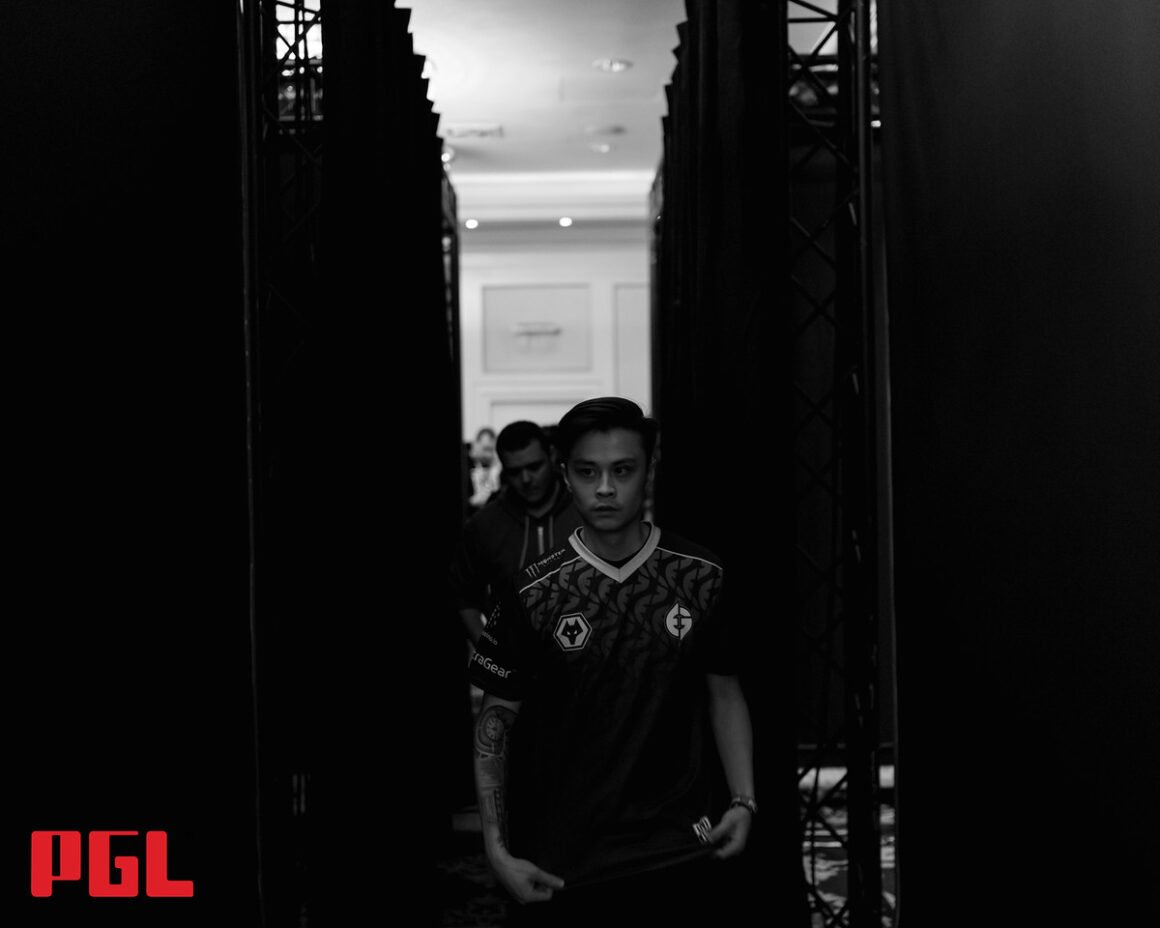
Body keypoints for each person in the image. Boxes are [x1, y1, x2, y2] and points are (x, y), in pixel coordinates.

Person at [468, 397, 757, 926]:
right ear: (566, 476)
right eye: (587, 472)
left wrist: (743, 800)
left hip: (679, 848)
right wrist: (496, 848)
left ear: (649, 469)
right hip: (563, 861)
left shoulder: (701, 575)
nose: (605, 488)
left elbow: (724, 691)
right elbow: (494, 723)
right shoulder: (532, 591)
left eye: (622, 470)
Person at [451, 420, 585, 648]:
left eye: (534, 467)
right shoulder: (485, 524)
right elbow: (463, 595)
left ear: (552, 456)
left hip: (585, 660)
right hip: (513, 660)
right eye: (515, 471)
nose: (526, 479)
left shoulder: (585, 513)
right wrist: (488, 651)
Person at [466, 426, 502, 516]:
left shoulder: (494, 466)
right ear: (475, 444)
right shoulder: (464, 464)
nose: (489, 455)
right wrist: (470, 502)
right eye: (486, 449)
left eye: (492, 450)